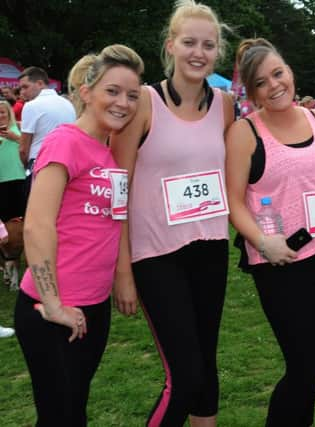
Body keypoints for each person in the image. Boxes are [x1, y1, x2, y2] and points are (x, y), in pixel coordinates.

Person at [110, 1, 234, 426]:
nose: (198, 52)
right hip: (156, 255)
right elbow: (117, 190)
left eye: (208, 45)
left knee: (207, 367)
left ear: (217, 51)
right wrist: (122, 268)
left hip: (211, 247)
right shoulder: (144, 102)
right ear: (171, 46)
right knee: (184, 375)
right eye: (189, 43)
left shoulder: (225, 105)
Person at [13, 44, 143, 426]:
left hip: (93, 307)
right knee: (61, 416)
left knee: (74, 412)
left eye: (132, 95)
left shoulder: (108, 154)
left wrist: (122, 278)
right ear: (86, 93)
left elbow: (113, 222)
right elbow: (37, 225)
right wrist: (53, 304)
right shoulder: (64, 141)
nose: (123, 102)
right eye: (113, 91)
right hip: (50, 310)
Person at [226, 38, 315, 427]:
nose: (274, 85)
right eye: (262, 82)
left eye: (278, 73)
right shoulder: (244, 132)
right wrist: (263, 241)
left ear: (290, 72)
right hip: (280, 261)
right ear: (251, 89)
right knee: (306, 363)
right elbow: (232, 201)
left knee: (309, 364)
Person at [18, 66, 76, 202]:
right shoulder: (68, 104)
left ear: (39, 83)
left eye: (25, 87)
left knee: (34, 212)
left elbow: (23, 149)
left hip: (39, 164)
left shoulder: (31, 106)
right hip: (67, 164)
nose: (22, 92)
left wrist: (27, 166)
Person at [0, 99, 26, 290]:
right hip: (0, 184)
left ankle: (15, 270)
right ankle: (6, 269)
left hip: (17, 182)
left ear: (9, 113)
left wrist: (14, 138)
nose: (0, 116)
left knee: (17, 229)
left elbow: (30, 150)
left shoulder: (19, 132)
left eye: (3, 112)